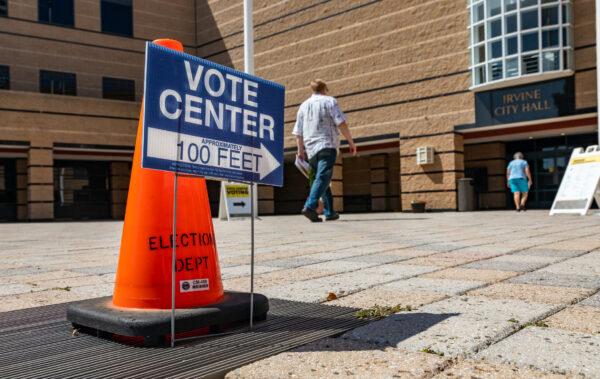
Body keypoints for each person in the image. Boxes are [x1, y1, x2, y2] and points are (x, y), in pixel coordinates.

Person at [292, 79, 357, 222]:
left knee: (322, 179)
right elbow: (341, 123)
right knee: (323, 177)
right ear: (324, 89)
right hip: (327, 145)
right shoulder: (329, 101)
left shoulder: (303, 106)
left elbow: (298, 132)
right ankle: (310, 206)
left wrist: (300, 151)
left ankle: (329, 212)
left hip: (311, 150)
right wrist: (351, 142)